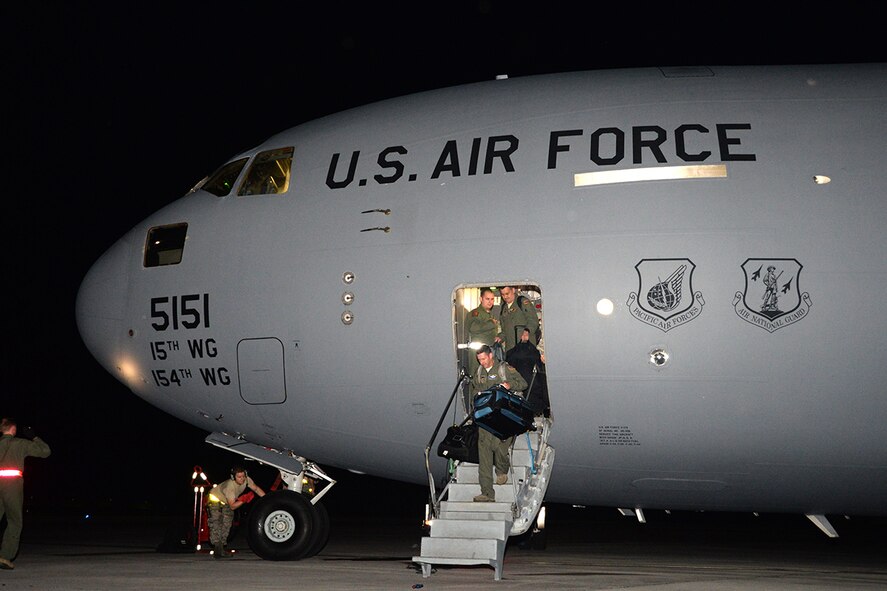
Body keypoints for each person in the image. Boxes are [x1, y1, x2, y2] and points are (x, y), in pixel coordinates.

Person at [470, 345, 527, 502]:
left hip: (503, 417)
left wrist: (509, 385)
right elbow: (475, 389)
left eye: (483, 359)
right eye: (479, 360)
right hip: (485, 418)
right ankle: (487, 493)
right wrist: (476, 399)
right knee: (484, 455)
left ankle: (502, 469)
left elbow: (523, 383)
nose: (481, 362)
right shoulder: (479, 372)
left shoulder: (504, 368)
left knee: (499, 446)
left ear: (491, 356)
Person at [0, 417, 51, 570]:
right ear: (13, 429)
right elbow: (45, 452)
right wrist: (34, 437)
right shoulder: (20, 443)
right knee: (15, 521)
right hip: (12, 486)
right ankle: (5, 556)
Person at [206, 465, 265, 558]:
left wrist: (267, 499)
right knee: (216, 523)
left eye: (243, 476)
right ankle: (218, 549)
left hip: (228, 501)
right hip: (215, 499)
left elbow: (256, 489)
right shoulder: (229, 487)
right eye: (239, 477)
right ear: (233, 477)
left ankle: (221, 549)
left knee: (227, 524)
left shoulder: (247, 480)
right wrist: (244, 499)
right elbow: (233, 506)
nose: (242, 479)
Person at [506, 328, 550, 416]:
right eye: (523, 334)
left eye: (526, 335)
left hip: (534, 384)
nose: (525, 337)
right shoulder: (512, 352)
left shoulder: (534, 350)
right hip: (521, 383)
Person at [465, 288, 503, 375]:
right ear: (481, 299)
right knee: (477, 376)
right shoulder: (476, 313)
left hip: (489, 351)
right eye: (487, 299)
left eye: (492, 299)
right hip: (478, 354)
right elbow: (473, 328)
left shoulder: (489, 314)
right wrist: (491, 323)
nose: (490, 302)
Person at [498, 286, 539, 353]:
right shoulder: (504, 308)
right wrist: (500, 337)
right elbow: (505, 331)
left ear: (513, 290)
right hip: (510, 350)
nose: (505, 297)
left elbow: (533, 321)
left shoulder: (522, 302)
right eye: (502, 294)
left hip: (525, 348)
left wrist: (527, 331)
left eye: (507, 293)